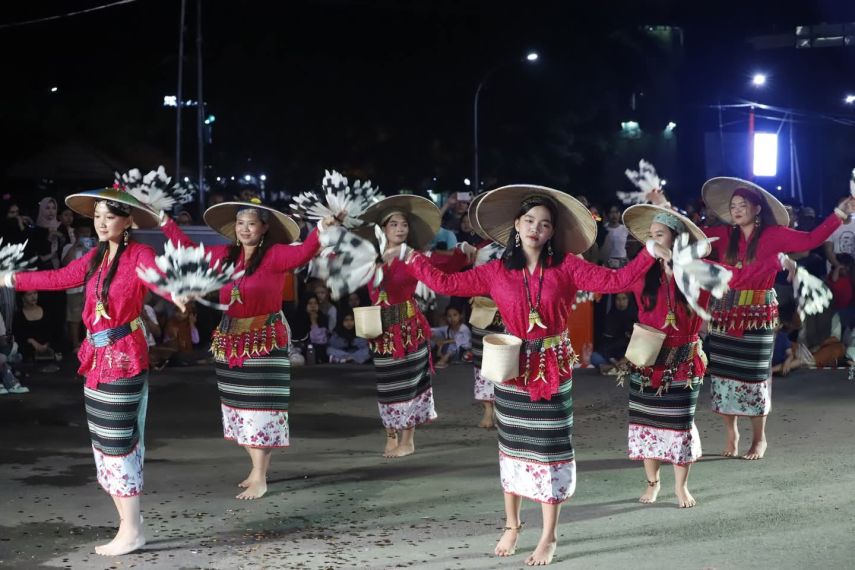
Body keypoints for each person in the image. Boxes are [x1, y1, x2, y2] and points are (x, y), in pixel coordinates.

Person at [400, 185, 667, 566]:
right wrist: (413, 259)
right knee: (512, 449)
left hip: (553, 369)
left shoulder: (568, 266)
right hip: (512, 372)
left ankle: (549, 535)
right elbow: (446, 285)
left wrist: (650, 254)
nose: (535, 229)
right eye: (529, 221)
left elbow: (615, 282)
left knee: (550, 451)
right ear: (516, 224)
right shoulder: (495, 271)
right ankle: (512, 524)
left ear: (552, 231)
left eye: (544, 224)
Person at [1, 187, 177, 556]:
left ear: (127, 221)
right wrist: (12, 279)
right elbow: (58, 278)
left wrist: (178, 288)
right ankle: (132, 526)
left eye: (109, 216)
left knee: (117, 442)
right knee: (104, 443)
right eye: (96, 215)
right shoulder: (95, 256)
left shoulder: (140, 253)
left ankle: (131, 530)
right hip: (96, 358)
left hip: (125, 356)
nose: (100, 222)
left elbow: (161, 277)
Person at [160, 198, 336, 500]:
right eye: (240, 223)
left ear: (264, 228)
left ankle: (261, 475)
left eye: (251, 223)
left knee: (261, 410)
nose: (244, 229)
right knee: (240, 409)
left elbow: (307, 250)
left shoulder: (276, 255)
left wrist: (322, 227)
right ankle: (256, 468)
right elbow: (188, 249)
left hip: (264, 340)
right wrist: (165, 221)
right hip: (231, 341)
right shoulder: (225, 256)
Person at [620, 204, 783, 509]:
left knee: (680, 423)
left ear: (677, 240)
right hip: (647, 360)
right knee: (647, 424)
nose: (653, 241)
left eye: (661, 235)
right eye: (650, 237)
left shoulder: (698, 272)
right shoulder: (642, 272)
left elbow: (728, 277)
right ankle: (653, 483)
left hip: (684, 361)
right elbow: (615, 281)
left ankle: (681, 486)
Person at [699, 177, 855, 459]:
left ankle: (759, 439)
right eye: (733, 206)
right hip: (724, 315)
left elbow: (810, 239)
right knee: (724, 377)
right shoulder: (721, 235)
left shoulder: (774, 235)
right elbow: (690, 239)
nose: (736, 210)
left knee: (755, 378)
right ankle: (731, 432)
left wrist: (839, 215)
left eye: (742, 205)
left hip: (757, 316)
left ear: (757, 208)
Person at [354, 194, 469, 458]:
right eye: (393, 224)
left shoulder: (415, 257)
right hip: (380, 332)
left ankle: (408, 440)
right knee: (387, 385)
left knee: (411, 384)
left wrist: (462, 252)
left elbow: (447, 266)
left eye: (403, 224)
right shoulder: (369, 258)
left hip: (409, 330)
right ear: (383, 229)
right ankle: (391, 435)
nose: (400, 229)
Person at [61, 218, 97, 351]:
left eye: (88, 233)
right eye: (82, 233)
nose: (85, 236)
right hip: (74, 288)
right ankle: (76, 345)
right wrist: (76, 245)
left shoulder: (95, 246)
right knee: (74, 318)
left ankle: (89, 343)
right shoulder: (68, 247)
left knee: (91, 316)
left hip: (91, 288)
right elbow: (65, 264)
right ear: (76, 233)